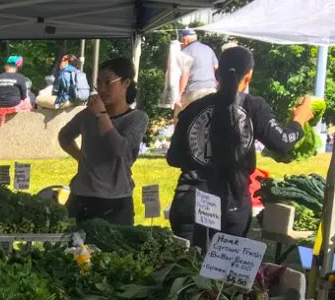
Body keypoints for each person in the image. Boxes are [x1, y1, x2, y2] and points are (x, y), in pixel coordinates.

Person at [167, 45, 312, 248]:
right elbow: (283, 142)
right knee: (222, 276)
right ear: (249, 76)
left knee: (183, 271)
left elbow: (173, 158)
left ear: (217, 73)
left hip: (189, 200)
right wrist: (299, 120)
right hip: (231, 203)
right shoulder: (253, 106)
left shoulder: (192, 109)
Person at [58, 58, 149, 226]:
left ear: (126, 83)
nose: (102, 89)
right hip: (81, 197)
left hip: (116, 200)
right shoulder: (87, 115)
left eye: (108, 83)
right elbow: (64, 136)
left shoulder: (137, 118)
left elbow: (119, 149)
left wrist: (101, 115)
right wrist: (81, 158)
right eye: (98, 83)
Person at [174, 29, 218, 113]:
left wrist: (178, 95)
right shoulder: (208, 49)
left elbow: (185, 74)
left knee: (180, 117)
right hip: (211, 90)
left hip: (194, 91)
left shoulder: (185, 52)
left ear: (184, 40)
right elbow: (216, 67)